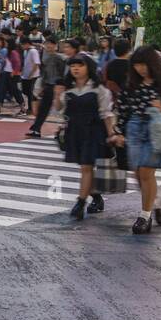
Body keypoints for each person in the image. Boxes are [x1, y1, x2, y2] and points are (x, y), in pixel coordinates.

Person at [110, 47, 161, 235]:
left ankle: (145, 216)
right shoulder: (131, 85)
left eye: (144, 64)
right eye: (137, 65)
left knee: (146, 171)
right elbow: (122, 109)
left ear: (152, 63)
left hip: (156, 130)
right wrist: (119, 132)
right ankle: (156, 202)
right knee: (138, 173)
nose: (140, 69)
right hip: (135, 130)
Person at [56, 53, 115, 220]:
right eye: (73, 65)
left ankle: (80, 203)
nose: (75, 68)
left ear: (88, 67)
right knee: (84, 166)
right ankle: (96, 197)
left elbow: (106, 113)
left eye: (80, 65)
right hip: (74, 132)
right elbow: (60, 110)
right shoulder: (68, 89)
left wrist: (111, 134)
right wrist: (57, 94)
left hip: (93, 131)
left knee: (86, 167)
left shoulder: (98, 89)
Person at [27, 36, 65, 138]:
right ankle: (36, 129)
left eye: (50, 44)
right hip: (48, 86)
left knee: (62, 109)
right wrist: (42, 87)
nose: (48, 46)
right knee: (44, 108)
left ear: (55, 46)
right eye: (46, 44)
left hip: (57, 86)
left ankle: (63, 130)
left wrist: (62, 86)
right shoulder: (45, 57)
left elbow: (62, 73)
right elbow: (44, 74)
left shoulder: (59, 58)